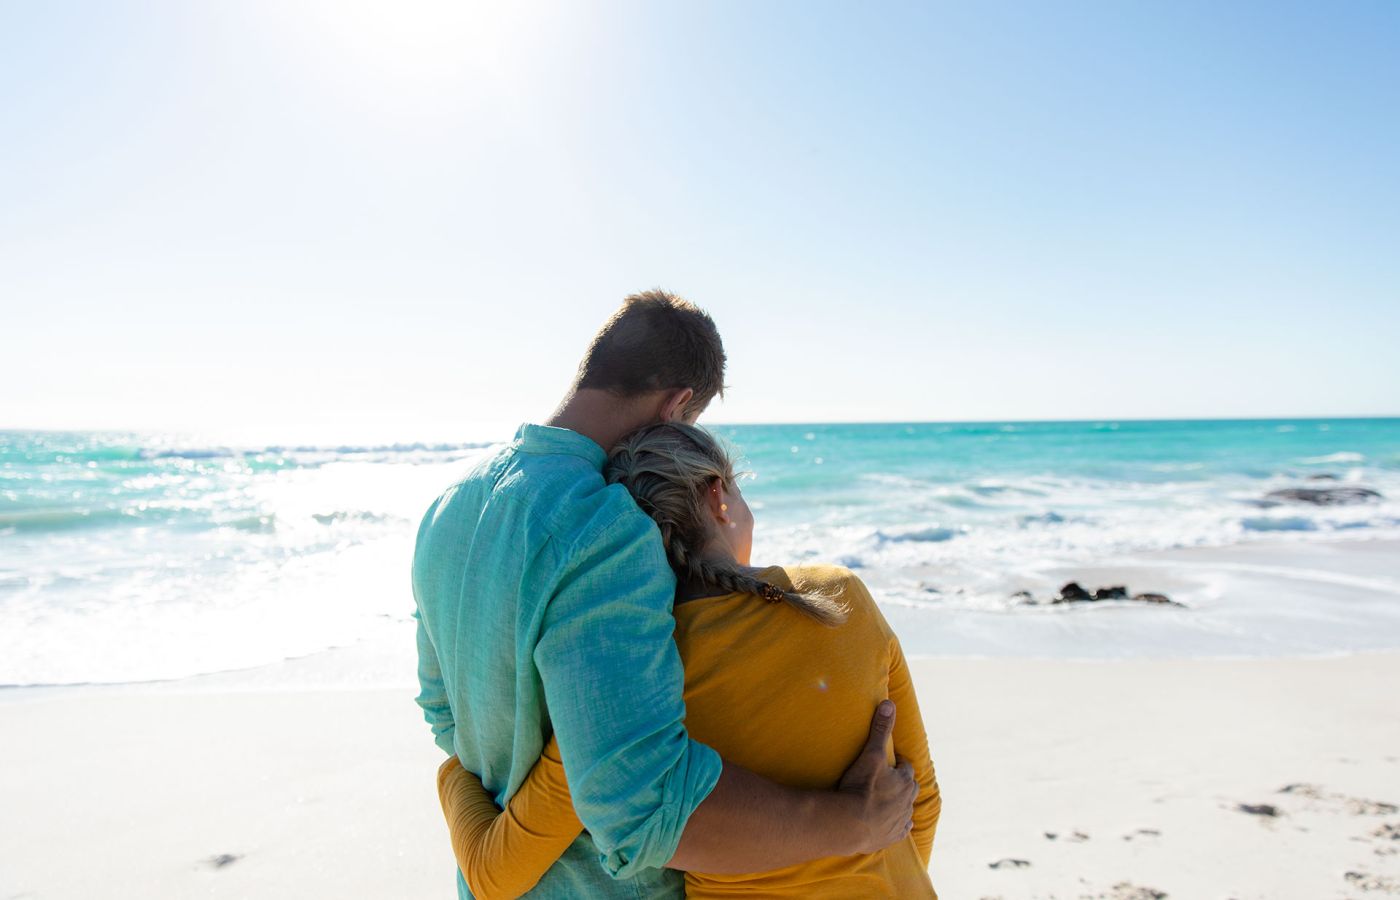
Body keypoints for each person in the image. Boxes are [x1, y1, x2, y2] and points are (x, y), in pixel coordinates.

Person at [412, 290, 919, 899]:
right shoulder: (607, 527)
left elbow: (443, 712)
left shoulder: (449, 505)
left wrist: (498, 846)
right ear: (677, 406)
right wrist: (855, 824)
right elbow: (642, 811)